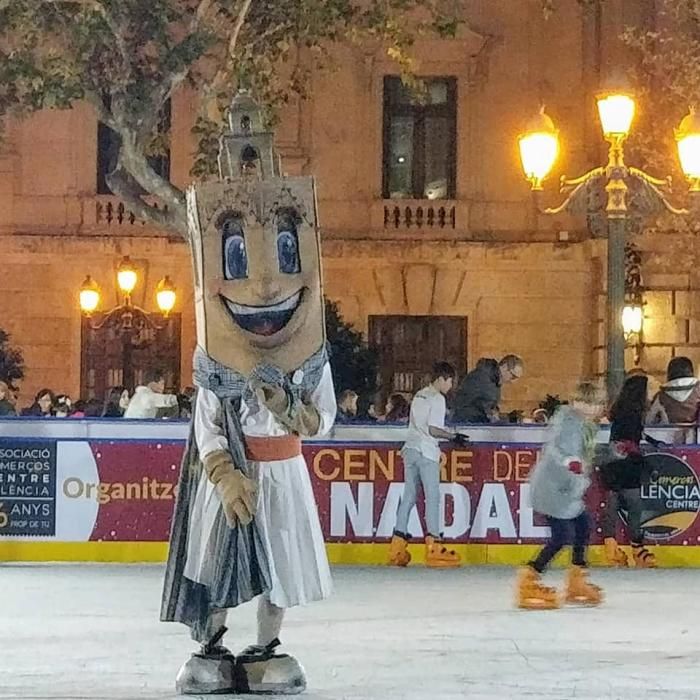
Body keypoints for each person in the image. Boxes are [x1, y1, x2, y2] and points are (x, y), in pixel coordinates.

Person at [516, 381, 605, 610]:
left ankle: (577, 578)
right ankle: (529, 578)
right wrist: (568, 462)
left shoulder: (586, 425)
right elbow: (554, 448)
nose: (591, 408)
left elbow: (586, 455)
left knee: (584, 524)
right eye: (586, 402)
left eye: (594, 403)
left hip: (568, 490)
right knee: (562, 536)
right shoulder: (565, 421)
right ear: (576, 402)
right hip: (552, 489)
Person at [389, 362, 466, 568]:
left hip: (410, 449)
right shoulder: (437, 398)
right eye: (450, 381)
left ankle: (397, 546)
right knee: (433, 497)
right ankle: (435, 545)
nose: (450, 386)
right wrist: (453, 436)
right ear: (442, 379)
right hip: (427, 452)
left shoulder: (419, 395)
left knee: (409, 496)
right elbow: (433, 429)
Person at [600, 373, 658, 568]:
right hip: (625, 463)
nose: (651, 393)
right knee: (633, 505)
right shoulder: (632, 413)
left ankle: (611, 548)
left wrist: (649, 440)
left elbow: (631, 434)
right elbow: (628, 440)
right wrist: (646, 465)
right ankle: (636, 548)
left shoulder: (624, 411)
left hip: (615, 462)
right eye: (649, 389)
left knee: (614, 504)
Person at [453, 354, 524, 423]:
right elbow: (488, 412)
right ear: (504, 367)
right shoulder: (484, 379)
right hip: (466, 423)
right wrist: (508, 418)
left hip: (471, 422)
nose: (512, 381)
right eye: (513, 376)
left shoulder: (493, 379)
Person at [647, 356, 700, 439]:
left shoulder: (661, 395)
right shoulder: (698, 389)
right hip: (696, 438)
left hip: (669, 439)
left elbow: (649, 420)